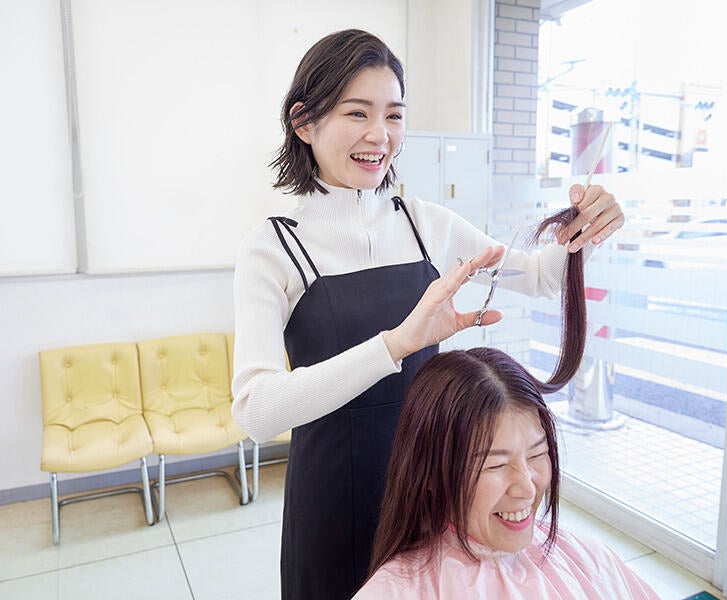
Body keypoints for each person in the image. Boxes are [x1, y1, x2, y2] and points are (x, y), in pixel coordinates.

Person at [230, 28, 624, 600]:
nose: (379, 135)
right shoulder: (273, 247)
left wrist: (587, 233)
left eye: (393, 115)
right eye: (357, 113)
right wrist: (395, 345)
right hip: (332, 497)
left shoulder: (425, 224)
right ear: (304, 123)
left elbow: (538, 276)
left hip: (431, 490)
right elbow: (257, 412)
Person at [354, 347, 661, 599]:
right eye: (497, 465)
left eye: (538, 454)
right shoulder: (395, 591)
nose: (527, 488)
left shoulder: (587, 558)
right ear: (432, 473)